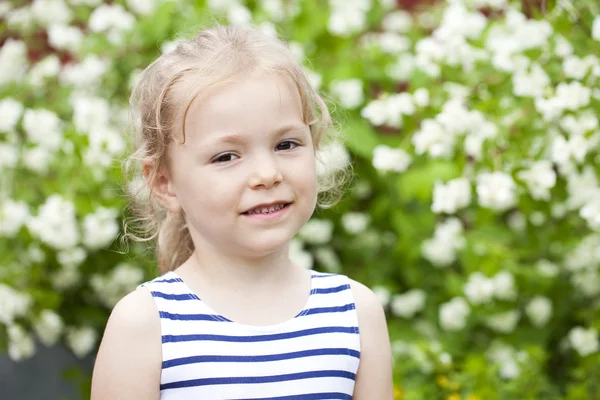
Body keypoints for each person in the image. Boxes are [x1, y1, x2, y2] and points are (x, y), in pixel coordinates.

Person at [91, 25, 393, 400]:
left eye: (286, 144)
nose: (267, 174)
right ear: (165, 183)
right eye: (226, 156)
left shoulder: (354, 314)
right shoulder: (146, 324)